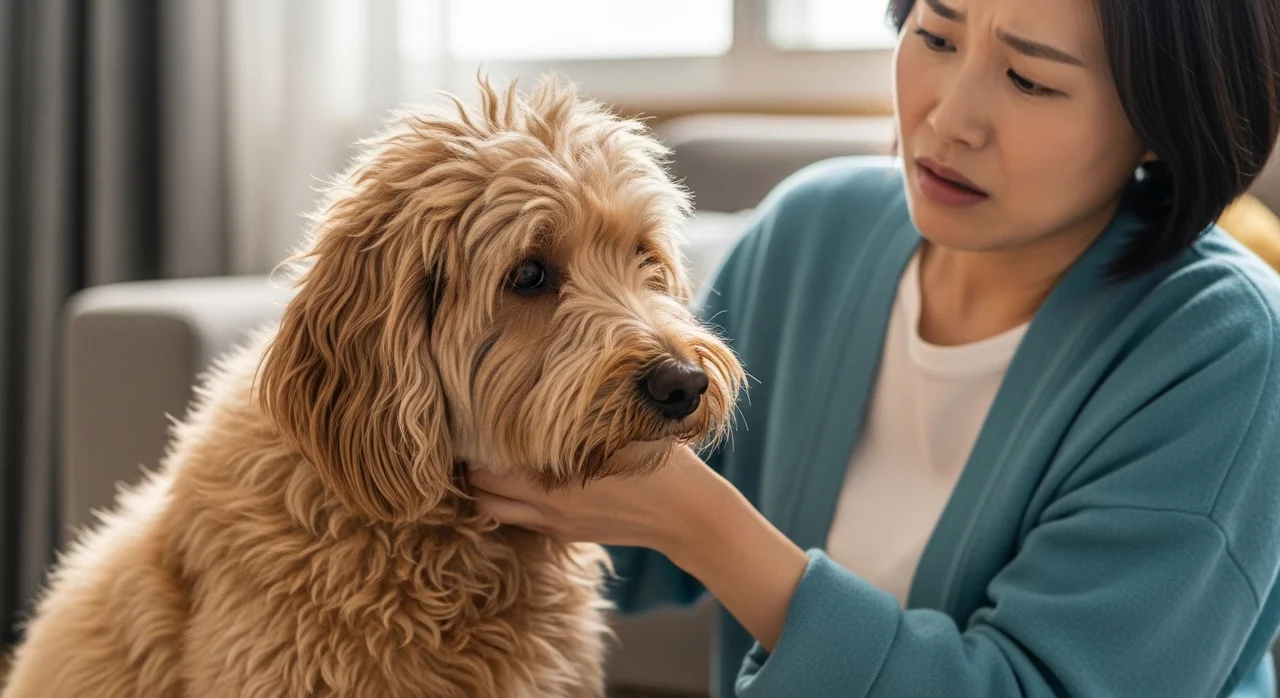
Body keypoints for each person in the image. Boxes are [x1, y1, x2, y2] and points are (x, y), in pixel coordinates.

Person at [468, 0, 1280, 695]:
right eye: (935, 35)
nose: (949, 119)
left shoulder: (1227, 349)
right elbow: (610, 525)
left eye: (1030, 79)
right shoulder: (812, 232)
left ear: (1161, 121)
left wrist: (706, 527)